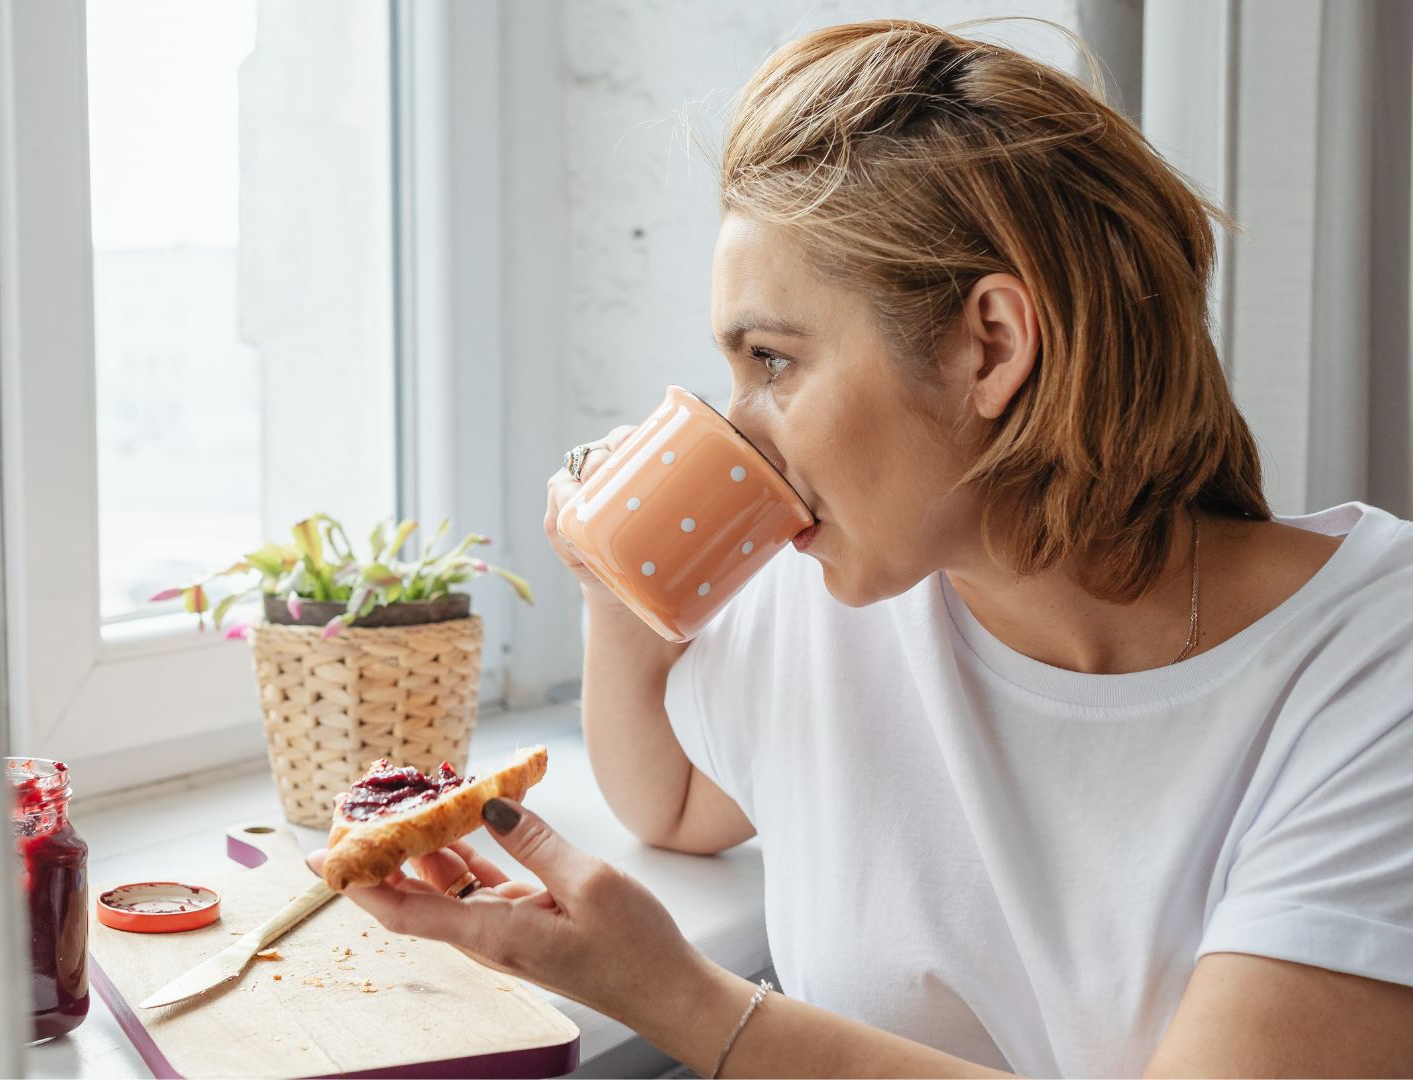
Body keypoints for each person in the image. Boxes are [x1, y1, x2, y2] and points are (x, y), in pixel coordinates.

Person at [308, 19, 1413, 1077]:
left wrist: (684, 1003)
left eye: (773, 361)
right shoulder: (855, 585)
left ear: (991, 346)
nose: (733, 427)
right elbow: (677, 804)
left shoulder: (1373, 665)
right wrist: (616, 587)